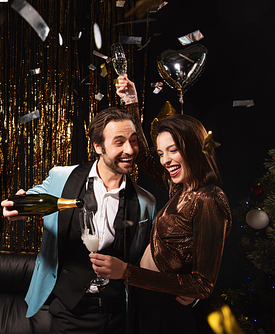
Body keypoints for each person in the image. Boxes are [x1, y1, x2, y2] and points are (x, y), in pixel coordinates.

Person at [89, 75, 233, 333]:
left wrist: (127, 273)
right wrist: (131, 101)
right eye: (161, 153)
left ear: (195, 148)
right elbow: (142, 156)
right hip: (144, 298)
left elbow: (202, 285)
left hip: (166, 310)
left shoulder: (209, 199)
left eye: (173, 150)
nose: (165, 160)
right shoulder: (178, 187)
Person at [1, 107, 157, 334]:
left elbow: (147, 262)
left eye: (133, 141)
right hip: (69, 310)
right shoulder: (62, 177)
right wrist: (18, 207)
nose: (130, 150)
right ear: (98, 146)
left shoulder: (147, 202)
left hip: (119, 315)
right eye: (119, 142)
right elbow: (32, 198)